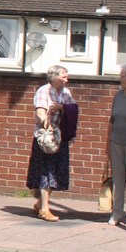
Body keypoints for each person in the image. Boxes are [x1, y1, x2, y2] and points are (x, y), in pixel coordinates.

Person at [27, 64, 75, 222]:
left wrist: (61, 107)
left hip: (61, 138)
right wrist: (45, 121)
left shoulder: (66, 92)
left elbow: (73, 108)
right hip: (47, 140)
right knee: (46, 172)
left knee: (56, 172)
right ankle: (44, 210)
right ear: (54, 77)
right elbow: (40, 110)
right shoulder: (44, 90)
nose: (66, 80)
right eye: (64, 77)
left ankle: (40, 203)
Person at [105, 64, 126, 228]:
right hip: (117, 143)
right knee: (118, 180)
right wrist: (108, 142)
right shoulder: (118, 96)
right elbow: (112, 120)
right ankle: (116, 213)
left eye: (123, 76)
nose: (120, 78)